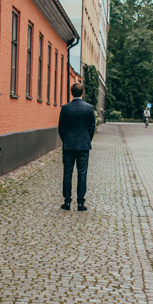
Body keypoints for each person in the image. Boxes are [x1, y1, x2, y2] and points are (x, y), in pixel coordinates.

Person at [57, 83, 95, 211]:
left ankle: (67, 202)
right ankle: (80, 203)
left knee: (67, 173)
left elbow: (61, 128)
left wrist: (66, 139)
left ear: (71, 92)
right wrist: (87, 140)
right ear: (82, 92)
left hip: (69, 145)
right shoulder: (89, 108)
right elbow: (91, 128)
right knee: (82, 173)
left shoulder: (65, 108)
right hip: (83, 146)